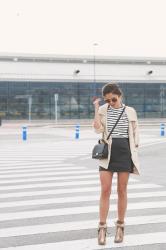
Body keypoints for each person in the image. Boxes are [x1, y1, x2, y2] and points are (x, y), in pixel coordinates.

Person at [92, 82, 140, 246]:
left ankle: (120, 226)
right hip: (107, 154)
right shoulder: (103, 110)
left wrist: (135, 152)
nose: (111, 103)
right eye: (107, 100)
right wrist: (96, 108)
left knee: (122, 190)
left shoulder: (130, 111)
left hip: (125, 153)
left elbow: (135, 134)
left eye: (113, 99)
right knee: (105, 190)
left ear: (119, 96)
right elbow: (97, 129)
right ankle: (102, 227)